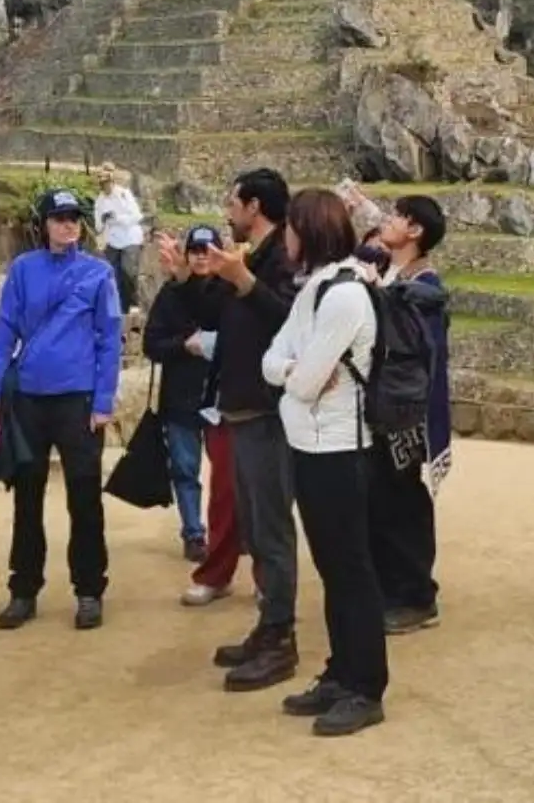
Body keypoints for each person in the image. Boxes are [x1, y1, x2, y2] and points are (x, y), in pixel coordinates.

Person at [261, 187, 388, 737]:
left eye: (290, 227)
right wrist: (293, 374)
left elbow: (307, 383)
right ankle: (342, 672)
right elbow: (274, 360)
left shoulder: (344, 296)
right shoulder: (312, 289)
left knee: (351, 571)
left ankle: (366, 687)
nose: (284, 237)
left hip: (340, 449)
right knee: (333, 570)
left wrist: (293, 375)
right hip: (311, 448)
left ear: (306, 231)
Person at [0, 187, 124, 631]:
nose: (68, 224)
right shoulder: (23, 270)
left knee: (84, 497)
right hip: (28, 399)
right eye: (59, 217)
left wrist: (103, 402)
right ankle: (23, 589)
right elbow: (4, 331)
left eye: (74, 217)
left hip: (77, 401)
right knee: (27, 496)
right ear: (43, 224)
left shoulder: (98, 274)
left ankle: (88, 590)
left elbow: (109, 339)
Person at [206, 168, 303, 692]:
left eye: (233, 202)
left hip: (267, 414)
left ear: (254, 206)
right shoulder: (250, 258)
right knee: (255, 528)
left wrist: (244, 283)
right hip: (242, 410)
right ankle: (268, 629)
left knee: (271, 529)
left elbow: (291, 320)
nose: (228, 210)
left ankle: (281, 637)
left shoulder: (281, 261)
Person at [367, 194, 452, 634]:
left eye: (398, 216)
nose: (389, 220)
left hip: (407, 410)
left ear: (415, 230)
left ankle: (417, 595)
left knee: (403, 503)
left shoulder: (425, 286)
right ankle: (390, 589)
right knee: (381, 500)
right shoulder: (391, 271)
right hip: (385, 405)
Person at [141, 225, 231, 564]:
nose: (201, 257)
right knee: (185, 468)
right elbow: (152, 343)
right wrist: (184, 346)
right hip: (181, 397)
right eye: (195, 251)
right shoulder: (171, 294)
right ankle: (193, 532)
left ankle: (232, 532)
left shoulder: (229, 292)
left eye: (208, 250)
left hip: (223, 397)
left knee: (229, 472)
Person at [94, 163, 146, 317]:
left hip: (130, 237)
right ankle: (116, 306)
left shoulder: (124, 194)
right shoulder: (100, 201)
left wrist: (117, 218)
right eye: (102, 184)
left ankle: (133, 304)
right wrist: (103, 220)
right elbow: (98, 226)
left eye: (107, 182)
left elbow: (137, 216)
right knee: (112, 273)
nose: (105, 186)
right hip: (113, 240)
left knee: (128, 271)